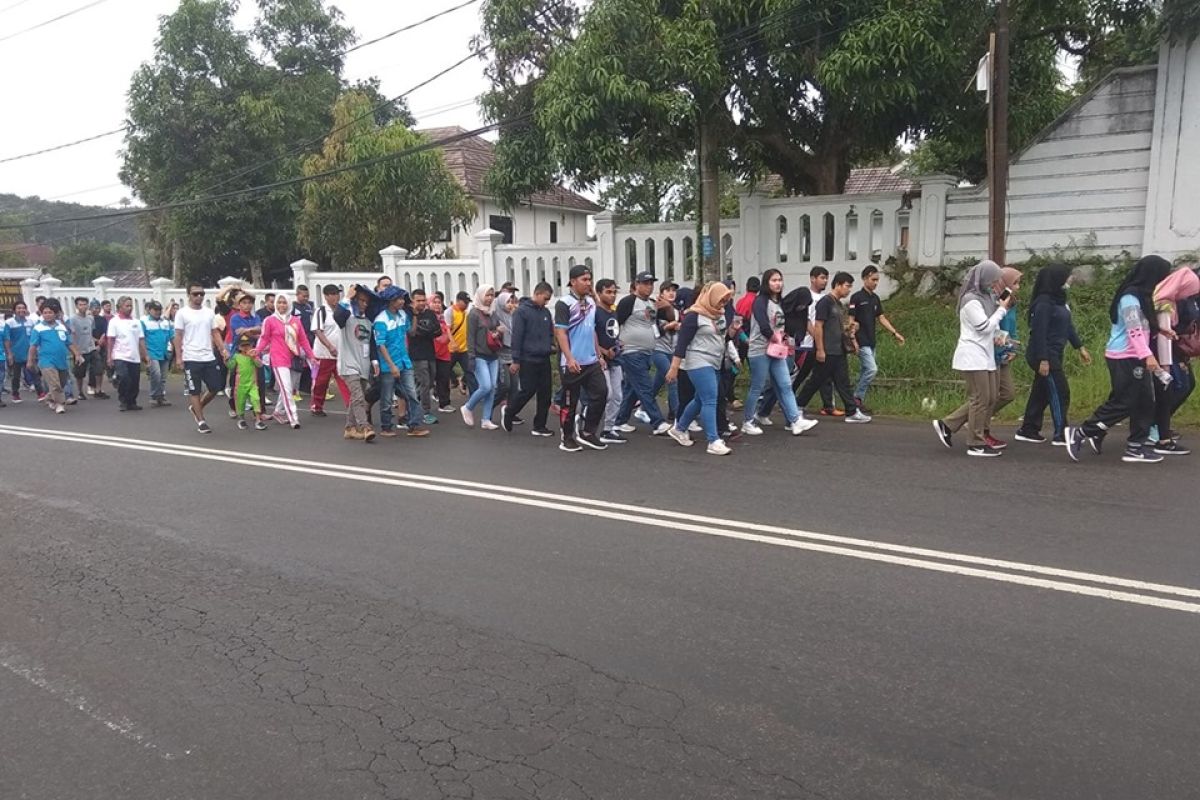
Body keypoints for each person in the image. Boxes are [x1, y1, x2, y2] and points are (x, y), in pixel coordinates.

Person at [1067, 255, 1174, 464]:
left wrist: (1161, 330)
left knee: (1145, 402)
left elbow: (1141, 324)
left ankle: (1136, 447)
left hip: (1135, 355)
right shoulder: (1130, 298)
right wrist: (1149, 356)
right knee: (1124, 402)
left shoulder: (1142, 295)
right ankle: (1081, 433)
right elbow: (1133, 331)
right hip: (1124, 356)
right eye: (1160, 277)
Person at [932, 260, 1017, 457]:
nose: (994, 285)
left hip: (985, 354)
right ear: (984, 278)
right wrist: (1002, 309)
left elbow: (992, 329)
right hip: (972, 355)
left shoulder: (987, 297)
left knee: (989, 397)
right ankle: (975, 442)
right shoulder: (970, 300)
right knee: (980, 399)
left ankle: (949, 426)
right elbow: (983, 327)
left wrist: (1001, 338)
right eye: (992, 280)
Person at [1015, 264, 1090, 445]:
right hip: (1044, 353)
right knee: (1059, 391)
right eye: (1067, 277)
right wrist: (1043, 359)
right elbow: (1039, 332)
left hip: (1055, 352)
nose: (1070, 280)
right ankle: (1061, 433)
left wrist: (1079, 347)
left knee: (1041, 392)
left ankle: (1028, 429)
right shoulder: (1043, 303)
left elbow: (1067, 326)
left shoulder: (1059, 300)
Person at [742, 269, 818, 436]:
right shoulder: (760, 301)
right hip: (760, 350)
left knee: (785, 384)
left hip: (777, 351)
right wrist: (775, 338)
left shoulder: (779, 303)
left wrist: (785, 341)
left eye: (780, 280)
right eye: (773, 280)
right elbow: (763, 325)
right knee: (758, 386)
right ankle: (748, 421)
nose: (777, 283)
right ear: (766, 283)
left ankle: (795, 420)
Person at [666, 282, 735, 455]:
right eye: (720, 300)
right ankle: (713, 440)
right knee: (710, 399)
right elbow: (681, 344)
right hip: (698, 361)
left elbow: (722, 337)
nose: (723, 304)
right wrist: (674, 368)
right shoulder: (694, 316)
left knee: (700, 399)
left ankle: (680, 428)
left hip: (714, 361)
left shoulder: (719, 315)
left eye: (726, 301)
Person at [795, 271, 871, 423]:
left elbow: (839, 327)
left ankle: (851, 411)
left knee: (843, 381)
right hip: (827, 350)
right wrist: (820, 349)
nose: (849, 290)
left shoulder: (839, 304)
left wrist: (851, 336)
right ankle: (797, 406)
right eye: (847, 286)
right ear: (838, 285)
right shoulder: (825, 302)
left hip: (838, 350)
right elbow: (818, 326)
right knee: (816, 380)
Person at [555, 265, 609, 451]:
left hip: (591, 361)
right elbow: (561, 333)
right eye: (584, 280)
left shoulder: (591, 302)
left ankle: (587, 432)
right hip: (571, 363)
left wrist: (599, 355)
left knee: (602, 393)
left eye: (589, 279)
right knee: (570, 403)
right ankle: (567, 437)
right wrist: (569, 358)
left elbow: (591, 329)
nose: (588, 283)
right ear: (573, 281)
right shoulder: (564, 303)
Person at [1148, 266, 1200, 454]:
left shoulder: (1186, 298)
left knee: (1186, 385)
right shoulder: (1167, 302)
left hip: (1177, 349)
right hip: (1168, 351)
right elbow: (1163, 336)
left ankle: (1158, 425)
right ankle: (1155, 428)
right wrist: (1166, 365)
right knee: (1176, 386)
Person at [613, 272, 671, 435]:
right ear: (636, 284)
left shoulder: (652, 304)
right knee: (645, 386)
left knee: (633, 388)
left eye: (651, 283)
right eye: (645, 283)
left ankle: (620, 420)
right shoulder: (628, 302)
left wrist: (667, 307)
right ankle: (658, 422)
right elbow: (615, 323)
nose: (649, 286)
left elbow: (667, 319)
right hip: (631, 351)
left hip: (647, 351)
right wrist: (616, 342)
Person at [373, 286, 429, 438]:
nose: (402, 302)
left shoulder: (403, 314)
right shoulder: (381, 320)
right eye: (399, 299)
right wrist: (391, 365)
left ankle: (414, 425)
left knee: (411, 393)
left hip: (405, 362)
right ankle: (386, 426)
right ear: (391, 301)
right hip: (388, 365)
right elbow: (381, 345)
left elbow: (410, 332)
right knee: (386, 397)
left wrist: (415, 315)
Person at [848, 266, 905, 414]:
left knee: (865, 371)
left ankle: (856, 401)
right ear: (865, 278)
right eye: (873, 279)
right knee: (872, 369)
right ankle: (856, 397)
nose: (875, 283)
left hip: (872, 340)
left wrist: (895, 333)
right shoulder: (856, 298)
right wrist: (852, 338)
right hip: (861, 341)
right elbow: (851, 320)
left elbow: (881, 317)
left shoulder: (875, 298)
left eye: (877, 280)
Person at [257, 293, 317, 430]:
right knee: (287, 388)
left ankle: (279, 412)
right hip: (278, 359)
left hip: (293, 357)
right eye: (279, 302)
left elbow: (303, 340)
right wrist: (257, 351)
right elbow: (264, 338)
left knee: (287, 387)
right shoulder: (270, 320)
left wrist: (311, 356)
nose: (281, 305)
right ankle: (293, 418)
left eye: (284, 303)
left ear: (289, 304)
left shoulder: (295, 320)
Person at [504, 281, 555, 436]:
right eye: (545, 298)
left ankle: (539, 425)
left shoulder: (545, 313)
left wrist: (550, 345)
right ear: (537, 294)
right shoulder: (522, 312)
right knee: (527, 390)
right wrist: (516, 359)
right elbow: (517, 336)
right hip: (528, 358)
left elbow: (550, 332)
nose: (546, 302)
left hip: (544, 357)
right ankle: (510, 411)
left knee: (545, 394)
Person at [175, 283, 227, 434]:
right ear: (189, 295)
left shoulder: (209, 313)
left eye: (202, 294)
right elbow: (178, 336)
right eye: (195, 294)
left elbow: (215, 332)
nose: (199, 296)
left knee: (215, 387)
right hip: (191, 357)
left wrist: (223, 349)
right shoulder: (182, 313)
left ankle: (197, 408)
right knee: (194, 390)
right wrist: (179, 357)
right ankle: (201, 420)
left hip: (208, 356)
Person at [983, 267, 1023, 448]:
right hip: (992, 353)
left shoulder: (1011, 302)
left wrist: (1013, 346)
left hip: (1004, 353)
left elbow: (1011, 327)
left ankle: (972, 420)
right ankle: (979, 428)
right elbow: (990, 327)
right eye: (1015, 283)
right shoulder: (994, 301)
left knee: (1007, 394)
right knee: (987, 397)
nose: (1018, 287)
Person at [333, 285, 377, 442]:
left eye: (366, 302)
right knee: (359, 397)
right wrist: (347, 297)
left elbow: (371, 344)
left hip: (363, 365)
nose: (364, 304)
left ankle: (349, 428)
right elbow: (338, 315)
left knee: (356, 397)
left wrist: (375, 362)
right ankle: (364, 426)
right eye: (361, 301)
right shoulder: (346, 319)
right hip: (348, 365)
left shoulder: (368, 323)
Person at [26, 300, 81, 414]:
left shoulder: (61, 326)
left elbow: (68, 342)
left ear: (55, 314)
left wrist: (77, 354)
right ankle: (60, 404)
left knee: (61, 383)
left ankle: (50, 398)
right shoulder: (38, 328)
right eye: (45, 313)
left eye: (50, 312)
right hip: (46, 361)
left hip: (61, 360)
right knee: (54, 383)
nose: (47, 315)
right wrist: (30, 360)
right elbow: (33, 346)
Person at [461, 285, 502, 430]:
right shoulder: (473, 314)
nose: (490, 298)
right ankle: (468, 407)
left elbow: (494, 331)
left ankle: (486, 419)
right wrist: (471, 357)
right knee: (485, 386)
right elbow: (470, 338)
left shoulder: (493, 313)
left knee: (493, 388)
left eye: (492, 295)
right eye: (487, 295)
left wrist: (498, 332)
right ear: (480, 295)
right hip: (479, 355)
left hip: (493, 354)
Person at [593, 278, 627, 443]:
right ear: (599, 293)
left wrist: (618, 343)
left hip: (615, 359)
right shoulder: (595, 313)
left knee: (617, 396)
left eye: (614, 292)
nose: (612, 295)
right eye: (608, 292)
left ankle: (608, 429)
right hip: (600, 360)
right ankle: (586, 418)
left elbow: (613, 332)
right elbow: (590, 338)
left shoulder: (613, 312)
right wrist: (603, 352)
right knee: (606, 394)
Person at [310, 284, 351, 417]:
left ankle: (351, 407)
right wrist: (329, 347)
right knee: (321, 382)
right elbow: (317, 331)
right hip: (324, 354)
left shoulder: (342, 310)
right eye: (332, 294)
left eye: (337, 294)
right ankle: (317, 405)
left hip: (340, 353)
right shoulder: (321, 311)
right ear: (326, 296)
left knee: (344, 381)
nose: (336, 297)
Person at [106, 295, 149, 411]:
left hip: (134, 356)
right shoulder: (114, 322)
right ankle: (123, 401)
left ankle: (132, 401)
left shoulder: (136, 322)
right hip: (120, 355)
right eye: (127, 306)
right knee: (124, 378)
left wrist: (145, 354)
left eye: (131, 306)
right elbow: (111, 340)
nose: (129, 308)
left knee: (135, 381)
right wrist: (109, 357)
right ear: (120, 307)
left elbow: (141, 339)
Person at [407, 288, 441, 425]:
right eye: (418, 300)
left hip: (430, 353)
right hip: (416, 354)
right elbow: (413, 333)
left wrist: (426, 331)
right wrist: (427, 331)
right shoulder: (409, 315)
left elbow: (437, 331)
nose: (421, 303)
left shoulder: (430, 314)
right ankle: (425, 412)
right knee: (424, 382)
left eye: (423, 300)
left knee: (430, 381)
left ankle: (414, 407)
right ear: (413, 301)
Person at [4, 301, 43, 402]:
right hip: (16, 353)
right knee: (15, 376)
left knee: (35, 374)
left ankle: (41, 393)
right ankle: (15, 394)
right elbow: (7, 339)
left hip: (29, 353)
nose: (21, 310)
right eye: (18, 308)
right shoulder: (10, 322)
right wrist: (9, 353)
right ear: (14, 310)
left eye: (23, 308)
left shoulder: (31, 322)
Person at [229, 333, 268, 430]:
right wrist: (226, 359)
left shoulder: (254, 355)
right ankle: (241, 419)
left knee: (256, 399)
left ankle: (258, 420)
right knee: (240, 402)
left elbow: (260, 365)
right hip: (240, 384)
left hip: (252, 383)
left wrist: (254, 357)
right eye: (243, 346)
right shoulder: (236, 356)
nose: (246, 348)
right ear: (239, 347)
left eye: (248, 345)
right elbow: (231, 366)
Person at [141, 301, 174, 407]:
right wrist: (144, 354)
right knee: (156, 374)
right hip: (151, 352)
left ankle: (160, 396)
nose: (157, 312)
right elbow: (141, 339)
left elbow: (172, 337)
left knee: (163, 377)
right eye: (155, 310)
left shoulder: (165, 322)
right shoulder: (144, 322)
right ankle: (154, 395)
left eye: (159, 310)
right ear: (149, 310)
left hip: (164, 352)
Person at [493, 290, 520, 416]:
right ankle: (490, 407)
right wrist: (498, 332)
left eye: (512, 302)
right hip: (501, 354)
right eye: (507, 302)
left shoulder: (513, 316)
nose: (510, 304)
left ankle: (510, 414)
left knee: (515, 387)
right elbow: (490, 333)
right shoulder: (495, 316)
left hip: (513, 355)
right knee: (505, 385)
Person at [446, 291, 476, 396]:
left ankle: (474, 394)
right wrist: (452, 342)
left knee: (470, 372)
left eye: (468, 302)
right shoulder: (450, 312)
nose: (467, 305)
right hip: (451, 349)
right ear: (458, 301)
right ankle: (441, 393)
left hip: (464, 349)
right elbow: (447, 329)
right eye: (465, 302)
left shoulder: (465, 313)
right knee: (445, 372)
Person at [67, 298, 98, 401]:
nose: (83, 307)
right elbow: (72, 335)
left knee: (98, 368)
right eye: (80, 305)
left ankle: (97, 389)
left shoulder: (90, 318)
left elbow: (91, 332)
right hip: (80, 350)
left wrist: (95, 343)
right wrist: (75, 352)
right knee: (80, 373)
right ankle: (80, 392)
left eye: (85, 304)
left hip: (91, 348)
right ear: (76, 306)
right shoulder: (73, 320)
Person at [430, 292, 454, 412]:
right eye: (434, 302)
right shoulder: (427, 318)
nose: (437, 305)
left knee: (444, 377)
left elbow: (448, 331)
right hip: (431, 352)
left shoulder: (444, 318)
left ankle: (444, 403)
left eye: (439, 302)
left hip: (444, 352)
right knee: (428, 379)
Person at [88, 300, 110, 398]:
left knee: (100, 366)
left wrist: (101, 342)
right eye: (93, 308)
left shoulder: (102, 319)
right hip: (90, 344)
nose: (95, 310)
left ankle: (98, 387)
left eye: (97, 308)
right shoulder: (88, 319)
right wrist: (96, 341)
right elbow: (87, 333)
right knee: (93, 366)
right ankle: (91, 384)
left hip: (102, 344)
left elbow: (105, 331)